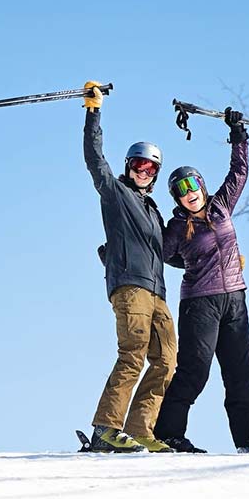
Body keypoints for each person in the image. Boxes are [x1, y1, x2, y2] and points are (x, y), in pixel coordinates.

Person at [153, 107, 249, 453]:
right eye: (180, 190)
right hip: (199, 304)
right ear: (176, 198)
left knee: (241, 374)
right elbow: (160, 253)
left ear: (201, 185)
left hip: (235, 299)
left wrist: (238, 134)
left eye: (192, 184)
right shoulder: (175, 228)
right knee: (195, 372)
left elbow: (239, 171)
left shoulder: (221, 206)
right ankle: (168, 435)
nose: (189, 192)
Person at [81, 80, 177, 453]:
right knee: (132, 354)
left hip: (157, 292)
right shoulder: (116, 194)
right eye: (138, 164)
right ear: (128, 166)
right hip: (131, 288)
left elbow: (172, 253)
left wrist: (220, 258)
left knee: (166, 361)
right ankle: (106, 427)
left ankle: (139, 430)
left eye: (150, 168)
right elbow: (94, 160)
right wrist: (93, 112)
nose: (143, 171)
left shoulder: (154, 211)